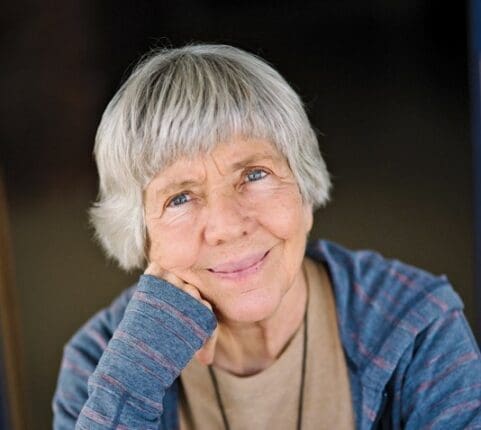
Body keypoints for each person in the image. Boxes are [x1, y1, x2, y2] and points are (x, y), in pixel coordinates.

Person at [52, 44, 481, 430]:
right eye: (180, 198)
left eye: (254, 175)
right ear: (142, 235)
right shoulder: (99, 363)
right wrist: (137, 374)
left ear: (304, 190)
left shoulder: (416, 324)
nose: (227, 225)